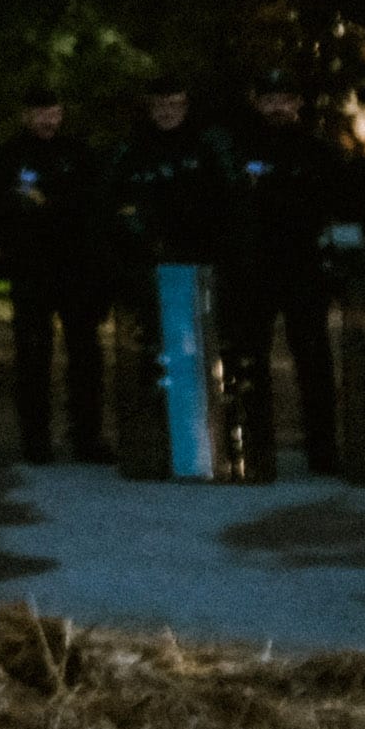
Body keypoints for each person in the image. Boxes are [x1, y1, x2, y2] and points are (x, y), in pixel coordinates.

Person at [0, 88, 110, 465]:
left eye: (54, 112)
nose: (48, 120)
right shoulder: (7, 156)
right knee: (33, 355)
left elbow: (94, 208)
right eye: (40, 113)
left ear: (62, 114)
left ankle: (87, 436)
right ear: (26, 115)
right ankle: (36, 439)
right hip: (31, 269)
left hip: (75, 268)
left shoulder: (78, 154)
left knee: (85, 354)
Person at [108, 83, 244, 474]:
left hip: (203, 267)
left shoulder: (207, 147)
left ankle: (212, 441)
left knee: (210, 352)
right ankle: (156, 442)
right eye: (158, 105)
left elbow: (227, 204)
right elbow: (118, 207)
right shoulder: (133, 152)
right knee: (156, 354)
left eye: (174, 104)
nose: (166, 111)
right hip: (153, 269)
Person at [223, 76, 353, 475]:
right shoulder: (236, 149)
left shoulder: (319, 149)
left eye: (284, 99)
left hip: (305, 270)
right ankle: (257, 448)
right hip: (253, 272)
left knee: (314, 363)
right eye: (269, 99)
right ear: (256, 101)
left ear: (296, 102)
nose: (277, 107)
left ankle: (323, 452)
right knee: (250, 363)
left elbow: (344, 206)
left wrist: (337, 264)